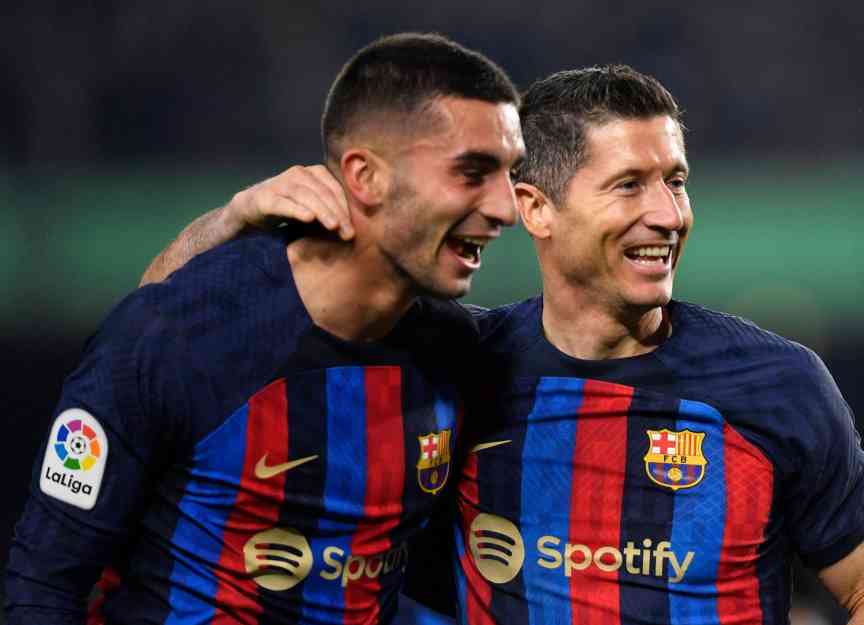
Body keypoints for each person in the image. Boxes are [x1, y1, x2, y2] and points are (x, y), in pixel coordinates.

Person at [131, 66, 864, 624]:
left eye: (676, 180)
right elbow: (157, 337)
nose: (667, 214)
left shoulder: (776, 383)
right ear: (534, 209)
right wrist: (234, 220)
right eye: (629, 185)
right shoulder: (459, 365)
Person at [4, 32, 524, 625]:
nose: (505, 208)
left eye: (511, 174)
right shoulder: (182, 336)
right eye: (472, 172)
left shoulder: (456, 351)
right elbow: (42, 588)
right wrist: (227, 220)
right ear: (365, 176)